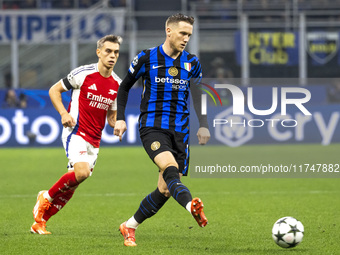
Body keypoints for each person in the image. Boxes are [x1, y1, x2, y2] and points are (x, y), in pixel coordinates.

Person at [114, 13, 211, 247]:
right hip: (153, 127)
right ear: (168, 31)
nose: (186, 38)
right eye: (182, 33)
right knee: (170, 167)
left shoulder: (192, 62)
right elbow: (124, 87)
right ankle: (191, 206)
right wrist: (119, 118)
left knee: (165, 189)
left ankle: (129, 226)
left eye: (189, 34)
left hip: (181, 132)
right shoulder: (147, 57)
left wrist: (204, 124)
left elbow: (198, 95)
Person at [31, 34, 122, 235]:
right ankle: (45, 196)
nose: (112, 56)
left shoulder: (117, 84)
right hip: (76, 132)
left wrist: (117, 124)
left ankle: (40, 222)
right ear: (99, 52)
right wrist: (64, 113)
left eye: (116, 52)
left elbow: (112, 116)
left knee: (75, 183)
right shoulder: (84, 74)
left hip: (95, 141)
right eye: (108, 51)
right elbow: (54, 90)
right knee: (81, 173)